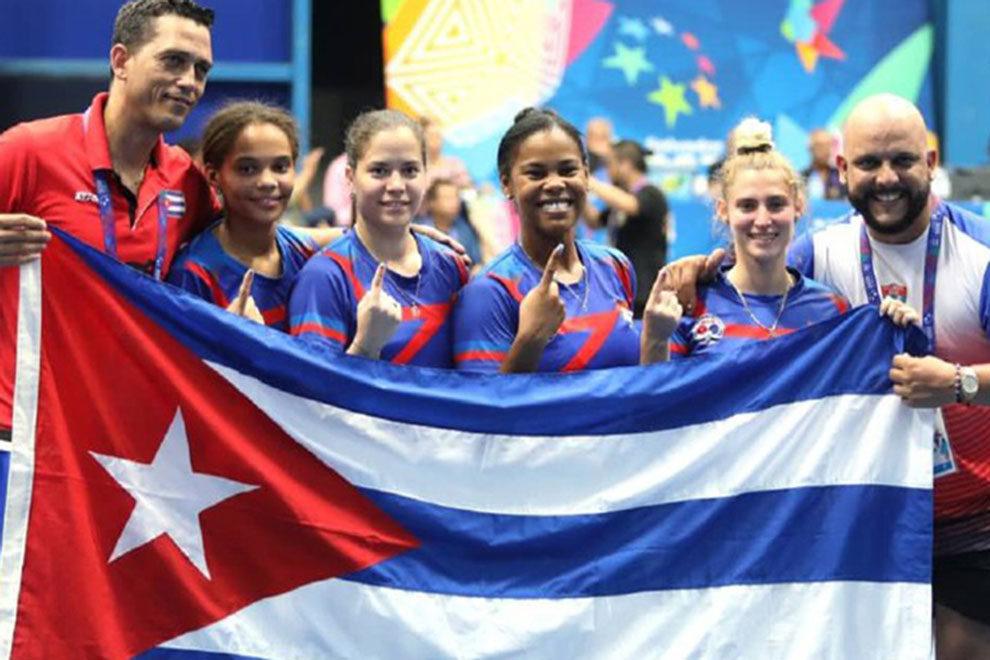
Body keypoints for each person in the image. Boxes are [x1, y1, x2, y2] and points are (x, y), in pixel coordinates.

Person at [663, 94, 990, 659]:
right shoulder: (820, 255)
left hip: (971, 521)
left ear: (931, 162)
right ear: (842, 171)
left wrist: (960, 382)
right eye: (868, 163)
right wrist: (703, 266)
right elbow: (755, 273)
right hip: (865, 516)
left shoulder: (981, 254)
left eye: (903, 161)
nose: (886, 178)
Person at [0, 0, 219, 441]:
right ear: (121, 60)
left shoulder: (185, 180)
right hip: (19, 431)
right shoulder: (29, 151)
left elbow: (249, 237)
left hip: (117, 438)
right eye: (174, 61)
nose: (189, 83)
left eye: (200, 69)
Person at [452, 107, 678, 373]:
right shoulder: (489, 291)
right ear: (506, 184)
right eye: (535, 173)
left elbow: (639, 386)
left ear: (586, 175)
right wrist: (530, 340)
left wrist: (656, 341)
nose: (555, 183)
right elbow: (480, 408)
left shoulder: (615, 267)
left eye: (568, 170)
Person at [288, 109, 469, 367]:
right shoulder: (324, 276)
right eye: (379, 171)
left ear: (426, 175)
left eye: (410, 170)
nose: (396, 185)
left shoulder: (450, 266)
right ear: (350, 179)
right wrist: (366, 346)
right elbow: (313, 398)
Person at [664, 118, 849, 358]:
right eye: (747, 206)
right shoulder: (689, 303)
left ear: (798, 207)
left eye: (776, 204)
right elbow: (660, 390)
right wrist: (655, 339)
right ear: (723, 211)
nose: (762, 220)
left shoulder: (833, 310)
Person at [166, 101, 319, 330]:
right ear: (213, 176)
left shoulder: (305, 254)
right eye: (247, 169)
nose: (267, 182)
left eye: (280, 167)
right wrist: (236, 342)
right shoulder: (194, 274)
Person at [588, 139, 669, 317]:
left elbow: (631, 206)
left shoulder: (651, 193)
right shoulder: (622, 198)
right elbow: (594, 221)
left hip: (645, 290)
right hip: (623, 289)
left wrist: (589, 182)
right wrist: (577, 196)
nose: (607, 171)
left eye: (610, 164)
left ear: (625, 165)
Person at [415, 178, 482, 269]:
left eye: (456, 197)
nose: (454, 202)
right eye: (447, 198)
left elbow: (475, 261)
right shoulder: (419, 231)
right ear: (432, 202)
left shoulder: (465, 229)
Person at [801, 128, 844, 200]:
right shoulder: (802, 178)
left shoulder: (841, 176)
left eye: (828, 145)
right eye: (820, 146)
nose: (825, 150)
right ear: (810, 149)